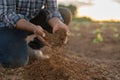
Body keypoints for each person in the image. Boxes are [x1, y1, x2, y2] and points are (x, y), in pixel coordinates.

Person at [0, 0, 72, 68]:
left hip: (30, 19)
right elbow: (7, 15)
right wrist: (33, 28)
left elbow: (52, 11)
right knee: (16, 62)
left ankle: (33, 48)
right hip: (6, 24)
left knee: (64, 14)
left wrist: (57, 24)